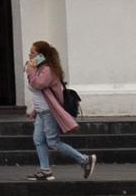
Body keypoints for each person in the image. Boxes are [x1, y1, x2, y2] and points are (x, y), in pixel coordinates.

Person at [23, 41, 92, 181]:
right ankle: (45, 170)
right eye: (30, 52)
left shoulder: (48, 69)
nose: (30, 55)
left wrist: (30, 71)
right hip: (42, 112)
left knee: (53, 142)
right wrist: (35, 111)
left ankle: (84, 160)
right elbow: (41, 95)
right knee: (38, 139)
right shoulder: (39, 68)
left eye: (33, 53)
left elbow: (38, 84)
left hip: (49, 112)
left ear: (42, 56)